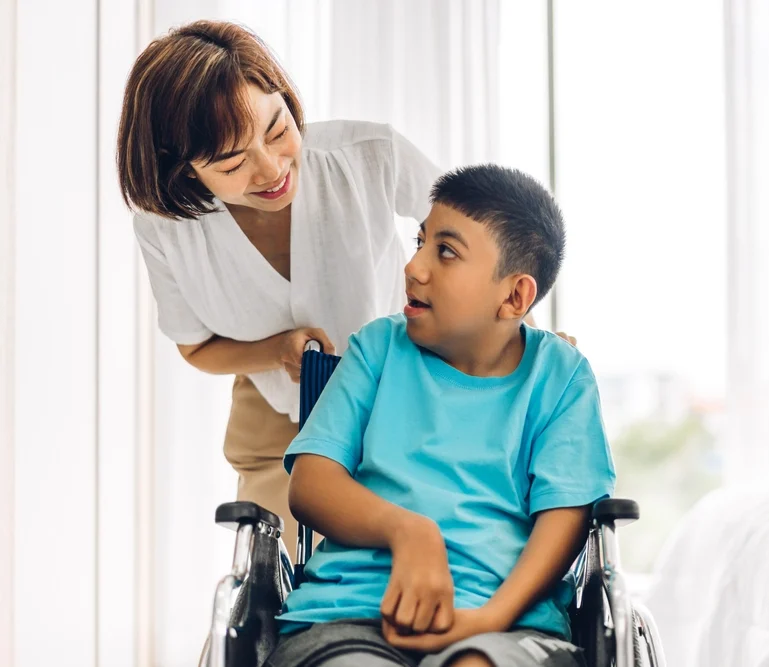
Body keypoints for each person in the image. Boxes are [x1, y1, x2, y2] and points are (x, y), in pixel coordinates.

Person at [117, 20, 573, 557]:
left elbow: (483, 243)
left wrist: (530, 353)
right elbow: (196, 347)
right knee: (290, 597)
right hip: (279, 424)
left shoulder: (368, 154)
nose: (271, 169)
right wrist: (275, 350)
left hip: (409, 399)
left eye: (276, 128)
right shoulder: (165, 225)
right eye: (232, 161)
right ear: (184, 173)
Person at [268, 165, 615, 667]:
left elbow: (566, 515)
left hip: (507, 624)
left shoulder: (560, 377)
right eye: (421, 241)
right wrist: (409, 531)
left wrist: (491, 617)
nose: (414, 267)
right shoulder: (377, 349)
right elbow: (310, 484)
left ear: (514, 296)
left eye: (446, 252)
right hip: (351, 612)